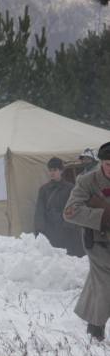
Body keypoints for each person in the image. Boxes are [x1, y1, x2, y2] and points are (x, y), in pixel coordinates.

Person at [63, 141, 110, 341]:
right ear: (101, 163)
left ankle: (93, 323)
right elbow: (70, 212)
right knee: (106, 284)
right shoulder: (87, 181)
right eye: (108, 164)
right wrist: (104, 215)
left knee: (99, 283)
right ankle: (97, 329)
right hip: (97, 242)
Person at [34, 157, 84, 256]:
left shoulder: (70, 188)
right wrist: (39, 230)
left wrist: (69, 227)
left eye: (55, 170)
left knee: (70, 260)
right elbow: (39, 211)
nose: (52, 173)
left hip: (67, 231)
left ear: (61, 171)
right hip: (50, 230)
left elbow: (75, 209)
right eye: (50, 170)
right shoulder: (44, 190)